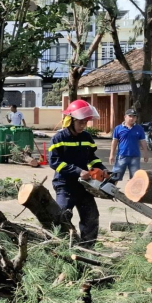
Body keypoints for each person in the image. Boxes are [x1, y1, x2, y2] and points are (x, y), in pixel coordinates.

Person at [49, 99, 106, 247]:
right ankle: (60, 247)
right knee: (62, 216)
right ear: (71, 120)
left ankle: (87, 248)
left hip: (84, 186)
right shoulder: (59, 138)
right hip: (65, 185)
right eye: (80, 122)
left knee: (91, 217)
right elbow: (54, 162)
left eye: (85, 122)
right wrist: (78, 171)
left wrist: (102, 169)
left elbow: (92, 158)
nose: (83, 125)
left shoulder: (87, 137)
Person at [109, 109, 148, 180]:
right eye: (130, 116)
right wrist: (112, 154)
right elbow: (114, 142)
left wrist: (146, 153)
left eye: (134, 117)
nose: (132, 118)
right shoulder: (118, 128)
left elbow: (143, 141)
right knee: (115, 177)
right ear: (125, 117)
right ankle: (110, 190)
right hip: (122, 156)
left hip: (135, 157)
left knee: (135, 179)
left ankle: (132, 191)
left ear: (136, 118)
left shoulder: (139, 128)